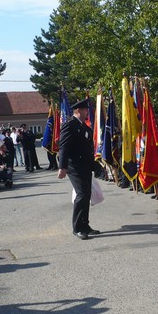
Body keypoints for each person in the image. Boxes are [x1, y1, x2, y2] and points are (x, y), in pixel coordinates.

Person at [58, 98, 100, 240]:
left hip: (85, 166)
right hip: (74, 167)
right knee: (81, 195)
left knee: (86, 195)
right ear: (79, 110)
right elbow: (64, 147)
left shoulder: (84, 126)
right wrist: (62, 167)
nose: (88, 112)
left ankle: (85, 225)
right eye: (86, 109)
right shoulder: (69, 125)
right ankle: (77, 228)